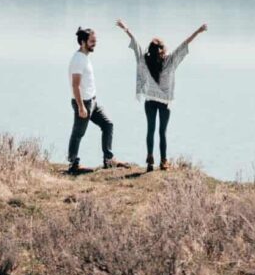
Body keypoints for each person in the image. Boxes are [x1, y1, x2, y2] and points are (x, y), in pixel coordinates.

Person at [115, 18, 207, 172]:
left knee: (150, 130)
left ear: (150, 50)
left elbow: (136, 45)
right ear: (163, 50)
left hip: (150, 101)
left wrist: (126, 29)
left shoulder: (145, 61)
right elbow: (185, 44)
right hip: (164, 103)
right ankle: (164, 162)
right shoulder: (170, 61)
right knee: (162, 132)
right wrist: (198, 31)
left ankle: (150, 159)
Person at [67, 26, 130, 173]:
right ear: (83, 42)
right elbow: (75, 85)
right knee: (78, 134)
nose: (95, 43)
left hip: (92, 102)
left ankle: (109, 160)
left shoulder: (85, 57)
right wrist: (81, 107)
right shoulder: (78, 60)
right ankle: (73, 165)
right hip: (83, 103)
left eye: (95, 41)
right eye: (92, 41)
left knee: (108, 125)